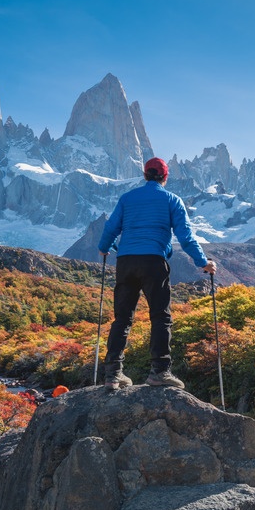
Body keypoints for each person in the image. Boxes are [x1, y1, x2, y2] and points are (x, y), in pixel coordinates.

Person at [98, 157, 216, 391]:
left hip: (126, 262)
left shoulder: (127, 198)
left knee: (122, 319)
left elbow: (111, 228)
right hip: (153, 261)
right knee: (160, 317)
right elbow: (185, 237)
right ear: (165, 177)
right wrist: (204, 263)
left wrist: (104, 248)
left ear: (145, 175)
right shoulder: (172, 200)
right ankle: (160, 372)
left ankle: (113, 375)